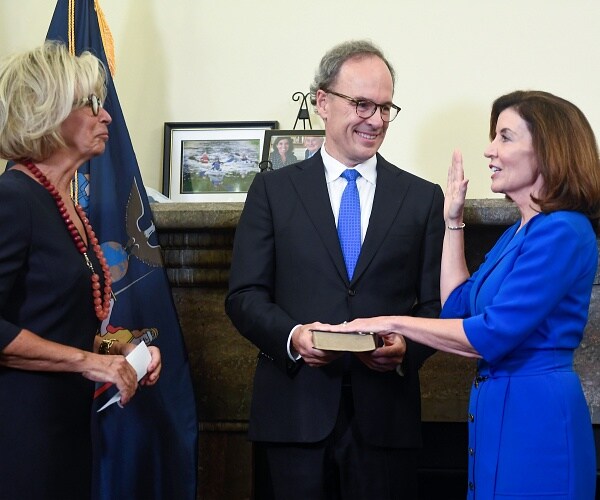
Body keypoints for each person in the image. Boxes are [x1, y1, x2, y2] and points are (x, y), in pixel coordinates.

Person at [330, 90, 600, 499]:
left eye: (505, 137)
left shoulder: (563, 231)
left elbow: (489, 335)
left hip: (536, 418)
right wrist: (452, 222)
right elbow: (456, 306)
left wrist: (389, 320)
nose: (490, 150)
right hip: (497, 409)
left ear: (548, 150)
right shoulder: (518, 232)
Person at [226, 40, 444, 499]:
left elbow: (433, 305)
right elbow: (244, 296)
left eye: (385, 107)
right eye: (362, 104)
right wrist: (294, 338)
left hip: (385, 422)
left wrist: (406, 349)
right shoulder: (271, 191)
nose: (376, 119)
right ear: (322, 102)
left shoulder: (423, 200)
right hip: (293, 416)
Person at [0, 41, 162, 498]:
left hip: (65, 429)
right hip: (19, 436)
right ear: (44, 112)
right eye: (90, 104)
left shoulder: (67, 205)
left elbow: (57, 321)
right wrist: (92, 363)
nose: (105, 115)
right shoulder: (13, 199)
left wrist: (124, 350)